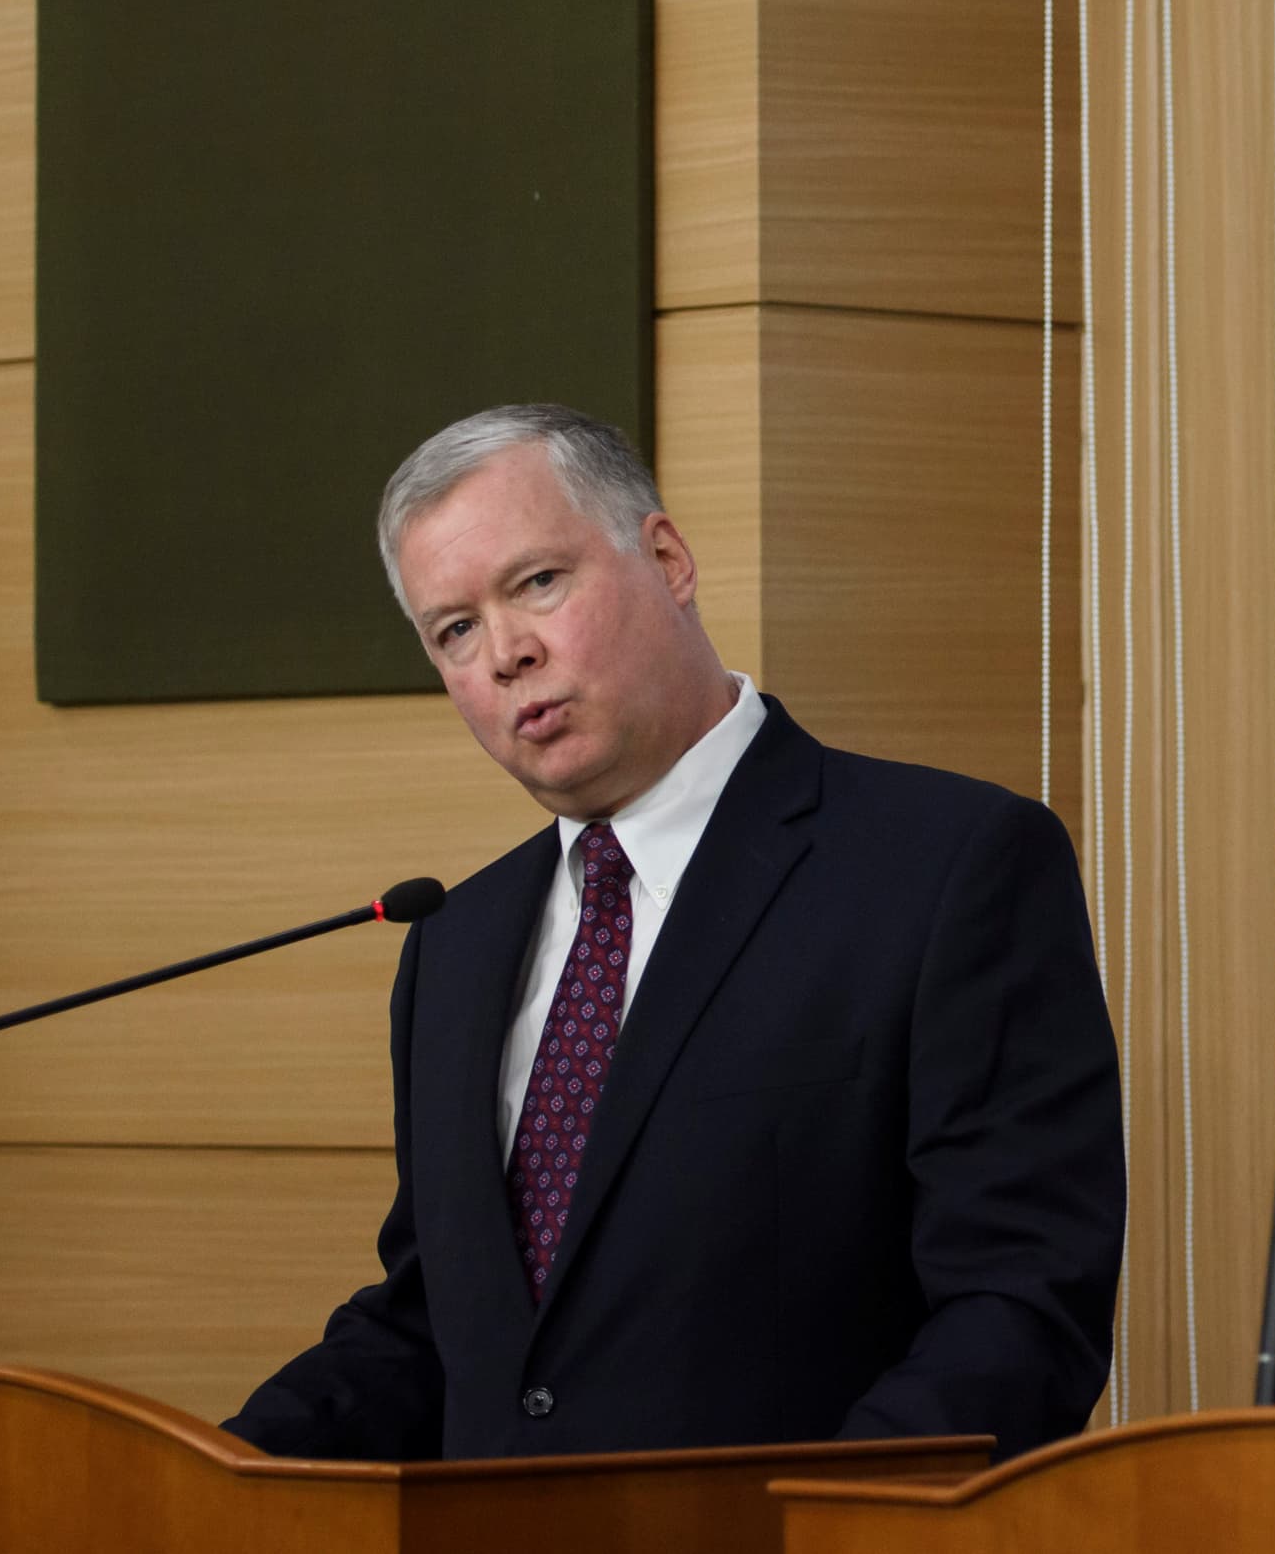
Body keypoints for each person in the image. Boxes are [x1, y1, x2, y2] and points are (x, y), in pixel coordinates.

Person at [226, 404, 1123, 1462]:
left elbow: (1016, 1307)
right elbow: (440, 1329)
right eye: (453, 629)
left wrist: (812, 1534)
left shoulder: (945, 866)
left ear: (666, 558)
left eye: (537, 583)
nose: (507, 652)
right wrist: (200, 1475)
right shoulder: (453, 942)